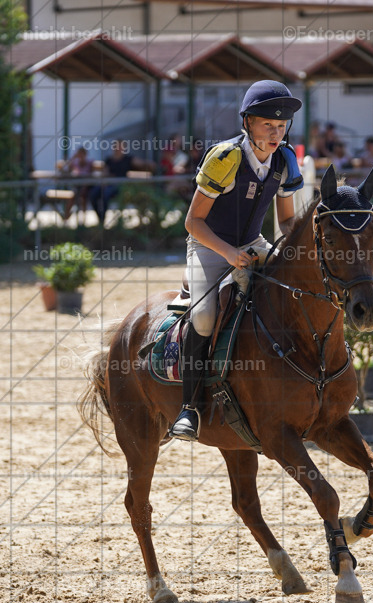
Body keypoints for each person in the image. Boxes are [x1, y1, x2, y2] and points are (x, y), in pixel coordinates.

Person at [168, 80, 304, 441]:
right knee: (204, 316)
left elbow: (287, 221)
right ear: (247, 123)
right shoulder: (225, 158)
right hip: (210, 246)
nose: (276, 133)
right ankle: (189, 409)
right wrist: (229, 253)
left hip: (253, 243)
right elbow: (193, 222)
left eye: (281, 126)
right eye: (267, 125)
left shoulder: (286, 160)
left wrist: (300, 248)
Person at [90, 140, 155, 226]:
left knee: (106, 194)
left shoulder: (127, 159)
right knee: (93, 193)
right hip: (109, 184)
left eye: (120, 146)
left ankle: (103, 220)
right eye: (116, 146)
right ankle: (101, 218)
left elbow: (141, 163)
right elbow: (105, 173)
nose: (118, 148)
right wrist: (104, 182)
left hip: (121, 186)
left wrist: (151, 164)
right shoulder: (109, 160)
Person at [65, 147, 94, 222]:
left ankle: (83, 220)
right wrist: (73, 158)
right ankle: (66, 218)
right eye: (79, 154)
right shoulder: (75, 164)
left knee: (82, 196)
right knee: (72, 197)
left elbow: (92, 176)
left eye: (82, 154)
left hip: (87, 188)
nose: (81, 156)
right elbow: (66, 169)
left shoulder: (89, 163)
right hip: (77, 187)